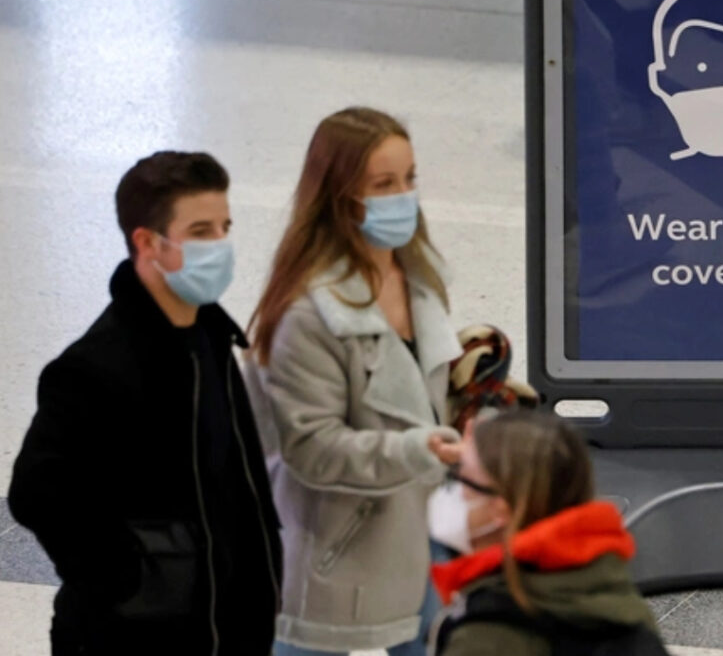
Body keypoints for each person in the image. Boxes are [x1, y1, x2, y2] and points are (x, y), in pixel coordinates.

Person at [7, 151, 283, 656]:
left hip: (222, 633)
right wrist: (133, 579)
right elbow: (35, 493)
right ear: (147, 242)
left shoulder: (212, 341)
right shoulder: (93, 370)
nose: (220, 245)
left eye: (224, 227)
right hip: (131, 641)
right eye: (200, 231)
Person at [244, 107, 464, 656]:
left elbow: (416, 396)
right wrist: (417, 449)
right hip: (335, 552)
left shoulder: (420, 281)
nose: (404, 197)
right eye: (383, 184)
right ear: (339, 197)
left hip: (419, 535)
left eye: (409, 178)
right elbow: (311, 449)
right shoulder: (307, 315)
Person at [428, 411, 669, 656]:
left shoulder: (489, 633)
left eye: (459, 477)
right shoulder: (602, 585)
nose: (449, 492)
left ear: (502, 507)